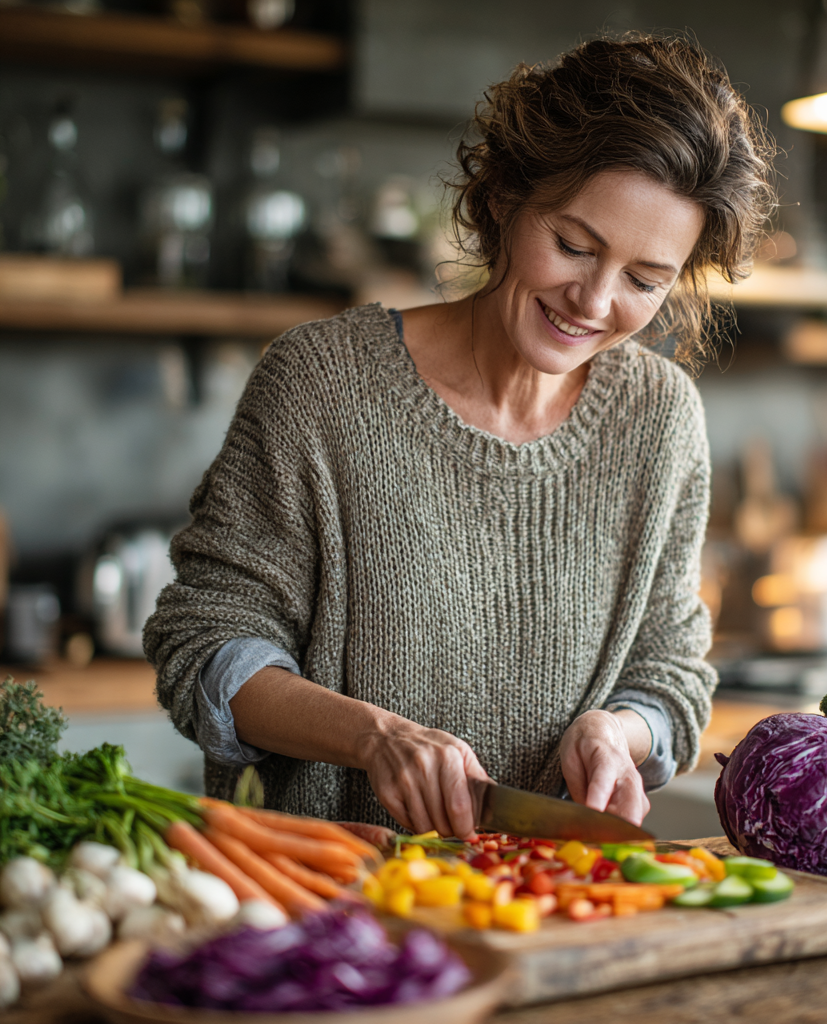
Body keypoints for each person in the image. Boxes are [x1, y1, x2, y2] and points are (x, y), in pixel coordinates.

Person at [143, 34, 773, 839]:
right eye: (575, 246)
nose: (594, 299)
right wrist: (375, 739)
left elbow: (673, 672)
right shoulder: (321, 383)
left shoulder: (662, 418)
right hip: (336, 908)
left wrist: (621, 732)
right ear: (506, 196)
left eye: (645, 281)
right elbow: (205, 645)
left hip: (552, 906)